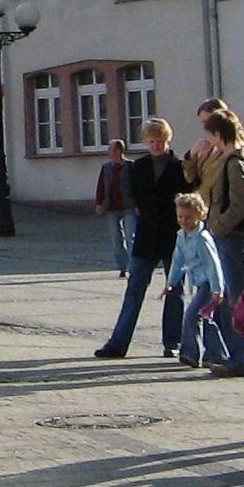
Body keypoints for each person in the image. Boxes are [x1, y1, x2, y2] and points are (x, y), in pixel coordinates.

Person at [94, 118, 189, 360]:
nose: (156, 146)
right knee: (134, 290)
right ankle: (117, 344)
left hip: (173, 236)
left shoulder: (178, 166)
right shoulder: (139, 167)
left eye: (160, 141)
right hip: (146, 236)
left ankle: (173, 342)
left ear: (167, 140)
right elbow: (131, 194)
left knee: (174, 290)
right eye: (151, 142)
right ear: (145, 142)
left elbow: (189, 193)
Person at [199, 110, 244, 379]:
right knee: (232, 299)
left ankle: (242, 359)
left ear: (217, 134)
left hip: (233, 238)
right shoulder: (232, 158)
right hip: (228, 237)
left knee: (239, 300)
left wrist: (218, 226)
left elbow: (240, 204)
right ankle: (236, 356)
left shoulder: (235, 162)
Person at [163, 193, 226, 369]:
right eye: (180, 217)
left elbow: (214, 265)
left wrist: (217, 289)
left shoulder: (203, 238)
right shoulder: (181, 236)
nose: (184, 221)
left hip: (209, 283)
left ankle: (190, 353)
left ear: (200, 215)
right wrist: (171, 282)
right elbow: (177, 260)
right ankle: (217, 354)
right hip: (198, 282)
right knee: (205, 317)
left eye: (188, 217)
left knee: (192, 314)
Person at [91, 140, 134, 276]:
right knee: (116, 239)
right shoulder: (106, 168)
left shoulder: (130, 166)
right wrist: (99, 203)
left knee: (130, 237)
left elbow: (138, 187)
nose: (107, 151)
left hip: (129, 207)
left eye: (110, 149)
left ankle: (134, 267)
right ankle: (122, 267)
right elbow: (101, 187)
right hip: (111, 208)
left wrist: (139, 205)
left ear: (118, 151)